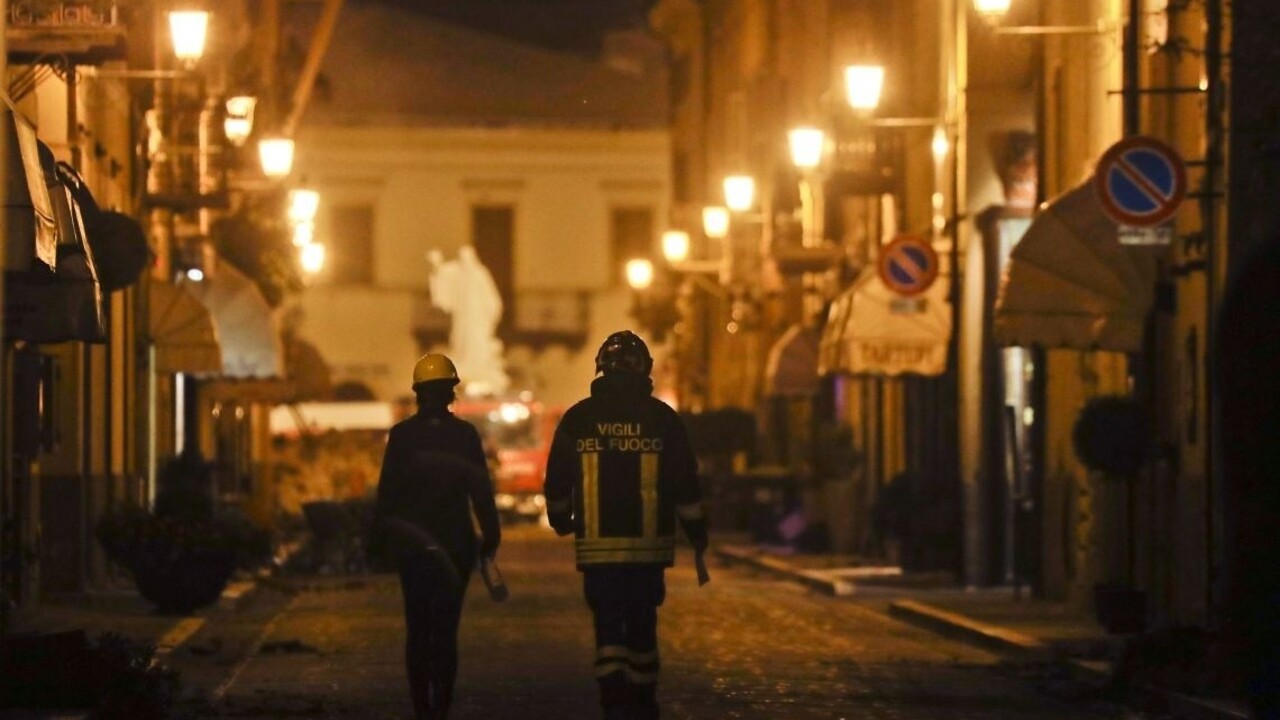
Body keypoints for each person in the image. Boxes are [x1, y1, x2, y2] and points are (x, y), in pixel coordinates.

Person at [543, 330, 710, 720]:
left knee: (606, 624)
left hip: (597, 550)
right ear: (644, 371)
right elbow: (686, 481)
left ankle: (612, 696)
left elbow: (557, 477)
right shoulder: (662, 419)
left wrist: (560, 517)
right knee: (641, 624)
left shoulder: (579, 418)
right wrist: (697, 531)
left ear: (600, 368)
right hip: (647, 551)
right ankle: (642, 698)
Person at [375, 353, 501, 720]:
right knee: (445, 630)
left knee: (418, 627)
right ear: (451, 393)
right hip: (455, 547)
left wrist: (380, 542)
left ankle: (421, 708)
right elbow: (480, 490)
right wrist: (490, 536)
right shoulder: (464, 436)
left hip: (413, 547)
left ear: (418, 393)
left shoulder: (401, 436)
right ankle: (441, 706)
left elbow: (388, 495)